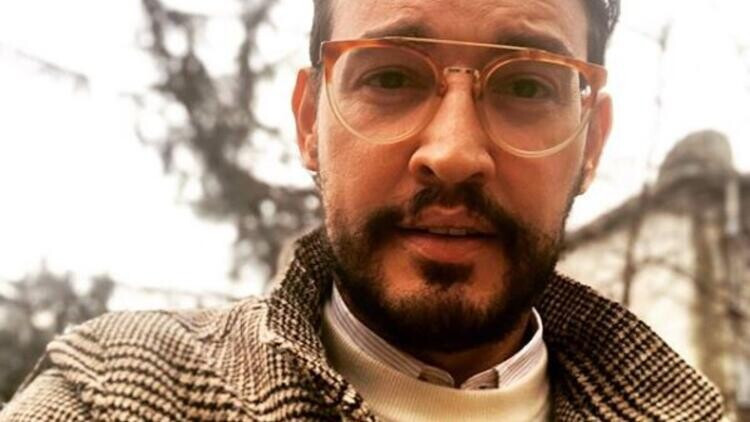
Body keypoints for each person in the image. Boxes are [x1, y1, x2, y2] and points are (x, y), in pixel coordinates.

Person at [0, 0, 726, 421]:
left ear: (591, 144)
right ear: (309, 121)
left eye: (528, 87)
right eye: (391, 76)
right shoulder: (119, 390)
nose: (453, 153)